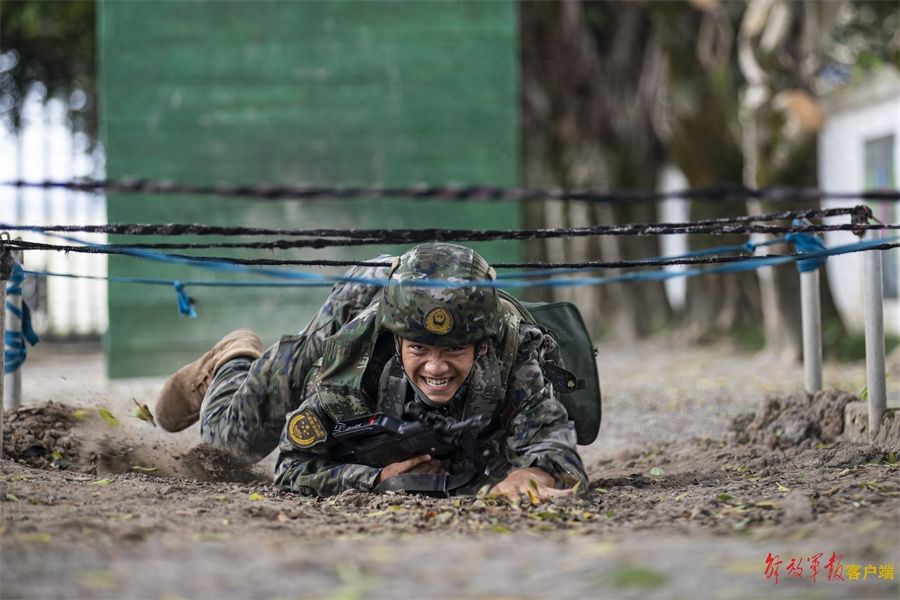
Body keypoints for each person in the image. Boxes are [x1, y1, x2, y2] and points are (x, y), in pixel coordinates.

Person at [155, 243, 588, 500]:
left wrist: (529, 476)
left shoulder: (513, 352)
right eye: (419, 348)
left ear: (482, 344)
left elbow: (555, 446)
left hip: (450, 295)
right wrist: (374, 478)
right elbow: (293, 467)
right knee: (227, 446)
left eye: (455, 350)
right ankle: (232, 360)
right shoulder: (352, 360)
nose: (436, 366)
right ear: (397, 340)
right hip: (365, 293)